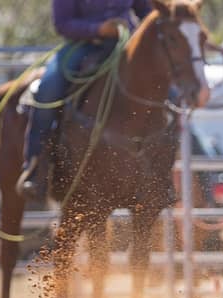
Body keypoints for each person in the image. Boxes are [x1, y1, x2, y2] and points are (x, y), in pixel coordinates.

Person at [18, 0, 154, 200]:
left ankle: (159, 168)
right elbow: (62, 23)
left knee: (168, 92)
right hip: (84, 46)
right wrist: (99, 29)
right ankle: (36, 166)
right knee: (48, 89)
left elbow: (147, 12)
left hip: (126, 45)